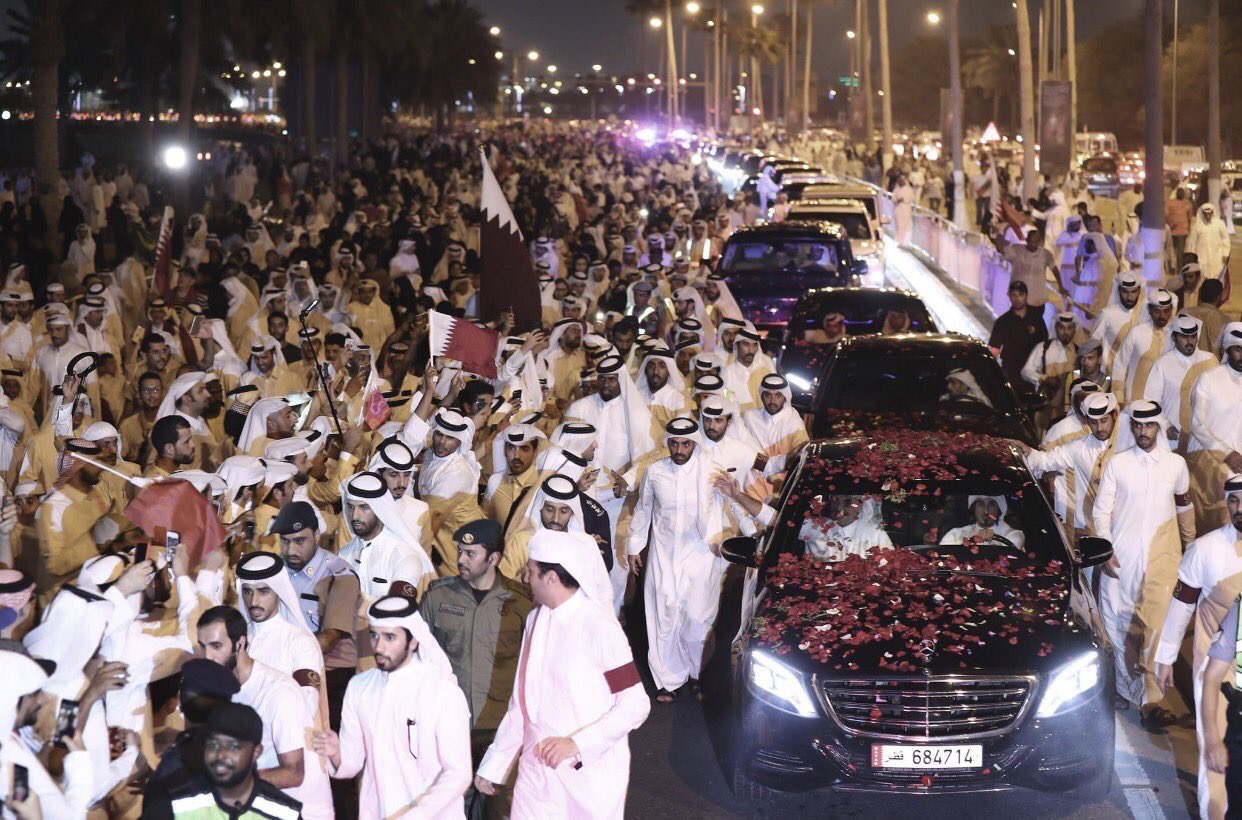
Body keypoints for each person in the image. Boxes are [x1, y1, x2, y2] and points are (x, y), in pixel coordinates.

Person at [475, 529, 650, 819]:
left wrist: (577, 744)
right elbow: (521, 703)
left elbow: (635, 704)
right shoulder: (535, 619)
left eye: (531, 570)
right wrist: (496, 763)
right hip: (536, 772)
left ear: (551, 578)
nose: (524, 576)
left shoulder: (601, 628)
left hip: (587, 777)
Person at [311, 595, 472, 819]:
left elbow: (459, 774)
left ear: (413, 640)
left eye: (390, 637)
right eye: (374, 636)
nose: (379, 646)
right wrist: (336, 752)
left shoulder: (442, 692)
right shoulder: (360, 686)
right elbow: (352, 761)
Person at [420, 519, 535, 818]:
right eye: (460, 551)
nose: (460, 559)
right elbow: (420, 661)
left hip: (500, 729)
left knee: (498, 809)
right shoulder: (437, 596)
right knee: (448, 806)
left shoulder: (522, 603)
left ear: (494, 558)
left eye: (470, 553)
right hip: (450, 726)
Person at [1092, 400, 1194, 724]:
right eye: (1137, 425)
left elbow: (1184, 509)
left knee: (1155, 625)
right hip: (1120, 560)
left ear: (1158, 427)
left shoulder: (1176, 465)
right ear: (1132, 426)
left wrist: (1191, 550)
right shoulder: (1118, 464)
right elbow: (1101, 511)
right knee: (1119, 622)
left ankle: (1150, 699)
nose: (1142, 431)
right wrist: (1106, 548)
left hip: (1162, 559)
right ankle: (1125, 689)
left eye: (1148, 426)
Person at [1155, 474, 1242, 820]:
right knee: (1216, 752)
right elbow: (1181, 606)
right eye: (1233, 501)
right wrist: (1165, 657)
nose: (1240, 508)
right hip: (1215, 671)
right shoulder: (1204, 550)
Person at [196, 605, 329, 814]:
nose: (207, 656)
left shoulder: (278, 693)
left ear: (239, 644)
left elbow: (294, 773)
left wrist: (227, 783)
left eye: (216, 646)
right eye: (203, 647)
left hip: (300, 811)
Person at [144, 702, 304, 820]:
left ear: (256, 752)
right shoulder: (174, 805)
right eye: (213, 744)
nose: (221, 754)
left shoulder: (284, 814)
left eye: (234, 746)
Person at [1142, 314, 1216, 451]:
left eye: (1193, 336)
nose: (1189, 341)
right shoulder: (1162, 364)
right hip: (1172, 440)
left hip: (1204, 441)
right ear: (1174, 337)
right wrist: (1165, 425)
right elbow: (1151, 401)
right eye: (1184, 337)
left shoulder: (1210, 361)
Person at [989, 281, 1049, 388]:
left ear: (1026, 296)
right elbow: (994, 349)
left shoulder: (1036, 319)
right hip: (1011, 373)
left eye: (1020, 295)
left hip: (1032, 374)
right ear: (1009, 296)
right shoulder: (1003, 322)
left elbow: (1045, 346)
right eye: (1014, 295)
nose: (1017, 299)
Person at [997, 227, 1062, 326]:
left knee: (1034, 329)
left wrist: (1061, 286)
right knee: (1017, 327)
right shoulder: (1016, 250)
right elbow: (1000, 249)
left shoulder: (1045, 254)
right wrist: (998, 235)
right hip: (1019, 301)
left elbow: (1055, 269)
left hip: (1037, 301)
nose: (1033, 245)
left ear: (1040, 242)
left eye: (1036, 242)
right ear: (1026, 240)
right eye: (1031, 242)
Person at [939, 495, 1024, 548]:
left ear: (999, 508)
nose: (986, 511)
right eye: (981, 504)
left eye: (992, 505)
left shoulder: (1013, 535)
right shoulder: (955, 534)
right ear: (974, 508)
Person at [1187, 202, 1231, 281]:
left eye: (1209, 214)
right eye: (1205, 214)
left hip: (1217, 256)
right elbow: (1192, 242)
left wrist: (1225, 253)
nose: (1208, 216)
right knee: (1202, 278)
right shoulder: (1197, 225)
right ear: (1202, 213)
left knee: (1216, 277)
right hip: (1201, 256)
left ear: (1213, 213)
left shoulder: (1219, 224)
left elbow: (1225, 238)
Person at [1165, 188, 1193, 271]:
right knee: (1171, 250)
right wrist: (1170, 224)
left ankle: (1179, 269)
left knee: (1180, 252)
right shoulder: (1170, 202)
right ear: (1176, 193)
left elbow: (1189, 218)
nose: (1181, 194)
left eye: (1182, 193)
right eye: (1179, 192)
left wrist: (1188, 229)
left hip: (1182, 231)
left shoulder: (1188, 203)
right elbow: (1165, 215)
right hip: (1171, 231)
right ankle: (1172, 268)